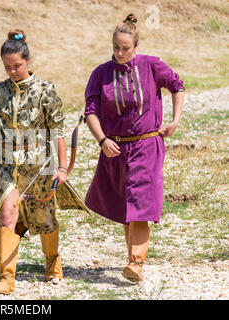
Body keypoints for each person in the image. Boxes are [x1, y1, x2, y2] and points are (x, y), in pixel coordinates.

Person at [83, 14, 185, 282]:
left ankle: (136, 262)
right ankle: (133, 260)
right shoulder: (100, 74)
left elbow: (177, 85)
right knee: (127, 206)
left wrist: (174, 121)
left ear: (136, 46)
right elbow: (90, 111)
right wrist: (102, 140)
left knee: (140, 203)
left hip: (147, 144)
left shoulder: (151, 65)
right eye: (116, 47)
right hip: (115, 149)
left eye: (125, 48)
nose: (119, 52)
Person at [0, 29, 70, 295]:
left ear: (28, 61)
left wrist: (62, 167)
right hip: (5, 161)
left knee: (44, 217)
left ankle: (53, 263)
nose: (12, 71)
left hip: (39, 162)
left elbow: (57, 130)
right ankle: (6, 277)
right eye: (7, 67)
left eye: (17, 66)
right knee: (6, 215)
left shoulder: (45, 91)